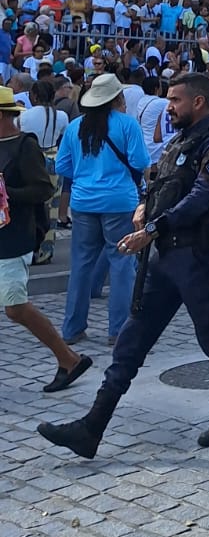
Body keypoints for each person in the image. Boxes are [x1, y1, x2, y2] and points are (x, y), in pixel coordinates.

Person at [38, 72, 209, 460]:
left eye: (176, 100)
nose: (169, 107)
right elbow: (163, 186)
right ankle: (92, 427)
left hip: (194, 257)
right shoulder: (179, 141)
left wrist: (153, 227)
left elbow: (201, 197)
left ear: (198, 102)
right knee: (131, 342)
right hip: (163, 258)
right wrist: (144, 207)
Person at [0, 86, 91, 393]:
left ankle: (69, 358)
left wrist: (6, 194)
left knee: (15, 308)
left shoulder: (24, 146)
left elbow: (42, 190)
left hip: (13, 238)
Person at [55, 71, 150, 347]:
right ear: (117, 97)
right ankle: (118, 330)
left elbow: (62, 166)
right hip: (119, 201)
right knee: (121, 264)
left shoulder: (75, 126)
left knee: (81, 264)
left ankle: (72, 328)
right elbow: (140, 161)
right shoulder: (127, 124)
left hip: (83, 201)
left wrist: (85, 174)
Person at [20, 78, 68, 265]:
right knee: (52, 208)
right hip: (54, 160)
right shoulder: (61, 116)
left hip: (32, 160)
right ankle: (46, 251)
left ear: (34, 96)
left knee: (31, 207)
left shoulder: (24, 116)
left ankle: (28, 248)